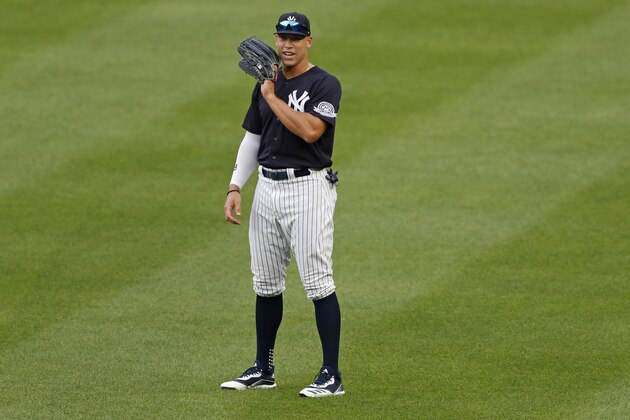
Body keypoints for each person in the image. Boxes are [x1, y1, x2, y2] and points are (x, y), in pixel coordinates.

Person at [221, 12, 344, 398]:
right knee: (266, 284)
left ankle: (331, 375)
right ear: (276, 40)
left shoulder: (325, 84)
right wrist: (235, 186)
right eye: (282, 37)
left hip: (308, 189)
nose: (288, 45)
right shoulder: (264, 84)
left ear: (309, 42)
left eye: (296, 38)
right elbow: (252, 138)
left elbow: (311, 131)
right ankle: (264, 368)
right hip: (268, 192)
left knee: (318, 283)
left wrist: (272, 97)